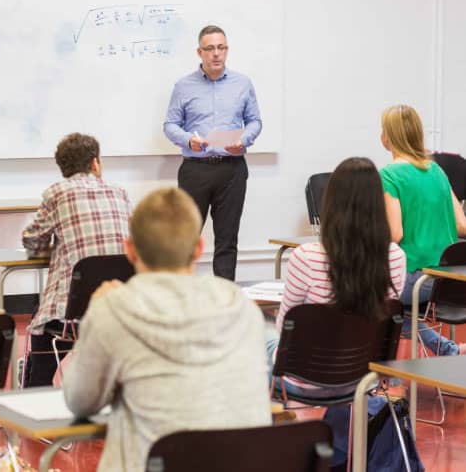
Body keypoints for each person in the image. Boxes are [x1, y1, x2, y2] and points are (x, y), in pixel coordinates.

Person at [63, 187, 271, 472]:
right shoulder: (243, 309)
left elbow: (79, 401)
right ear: (198, 248)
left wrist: (91, 317)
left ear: (130, 250)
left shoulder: (112, 309)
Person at [266, 157, 407, 397]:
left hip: (302, 378)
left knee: (260, 334)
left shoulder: (306, 257)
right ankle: (341, 431)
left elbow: (284, 328)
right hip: (364, 377)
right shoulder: (395, 257)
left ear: (330, 202)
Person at [21, 133, 130, 388]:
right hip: (119, 310)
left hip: (72, 316)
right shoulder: (120, 193)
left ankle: (34, 390)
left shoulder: (56, 193)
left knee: (43, 321)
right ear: (95, 163)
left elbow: (31, 240)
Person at [163, 24, 262, 281]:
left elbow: (254, 121)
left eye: (221, 47)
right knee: (185, 238)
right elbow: (170, 125)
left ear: (227, 49)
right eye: (210, 49)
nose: (216, 54)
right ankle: (181, 294)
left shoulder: (243, 83)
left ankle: (225, 299)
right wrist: (188, 140)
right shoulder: (184, 86)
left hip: (232, 169)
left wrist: (245, 139)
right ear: (200, 52)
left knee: (227, 240)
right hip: (196, 170)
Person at [379, 104, 466, 355]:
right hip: (448, 281)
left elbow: (394, 234)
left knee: (370, 301)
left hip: (416, 277)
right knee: (390, 308)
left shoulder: (389, 175)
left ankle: (388, 381)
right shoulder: (436, 170)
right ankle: (447, 349)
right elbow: (461, 225)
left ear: (387, 137)